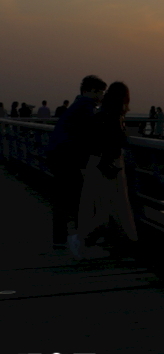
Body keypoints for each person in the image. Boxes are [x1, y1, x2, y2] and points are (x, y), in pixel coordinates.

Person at [46, 75, 107, 253]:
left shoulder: (77, 106)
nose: (101, 96)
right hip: (66, 157)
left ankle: (62, 239)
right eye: (100, 92)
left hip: (59, 155)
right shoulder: (85, 107)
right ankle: (85, 237)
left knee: (64, 199)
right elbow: (94, 130)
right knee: (79, 197)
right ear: (90, 91)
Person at [77, 81, 138, 257]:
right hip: (109, 164)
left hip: (98, 162)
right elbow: (114, 140)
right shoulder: (113, 115)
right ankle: (84, 240)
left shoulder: (102, 113)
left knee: (102, 205)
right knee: (113, 206)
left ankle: (91, 241)